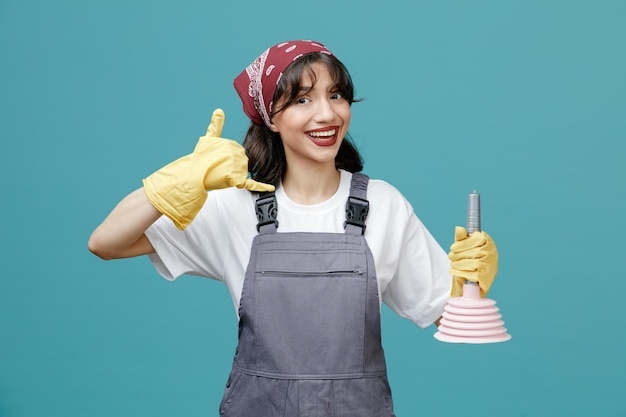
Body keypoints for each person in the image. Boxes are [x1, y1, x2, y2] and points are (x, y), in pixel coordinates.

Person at [88, 40, 498, 417]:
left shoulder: (383, 205)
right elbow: (105, 243)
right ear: (271, 117)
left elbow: (450, 318)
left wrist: (471, 285)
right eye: (303, 99)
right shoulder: (235, 206)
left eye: (336, 94)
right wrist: (174, 182)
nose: (327, 113)